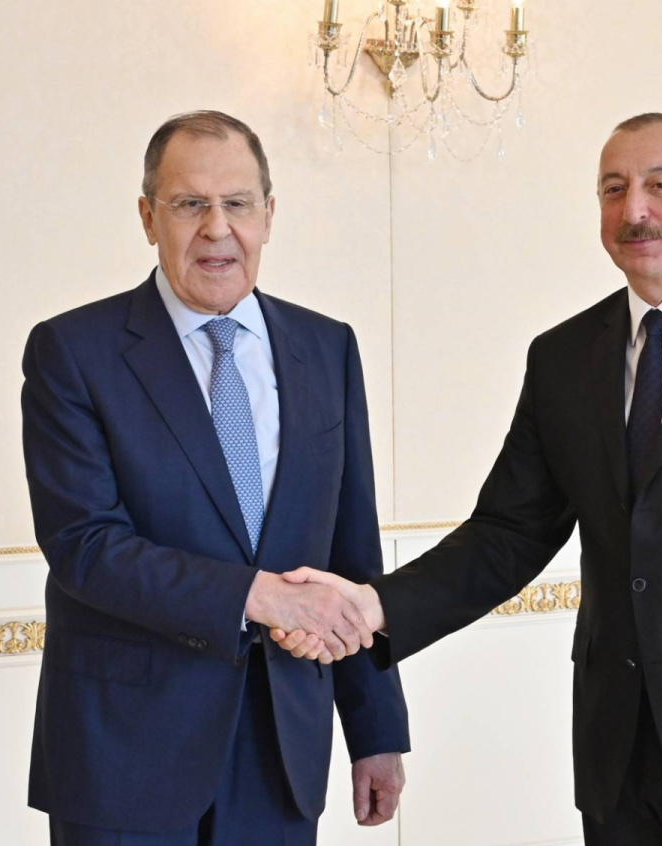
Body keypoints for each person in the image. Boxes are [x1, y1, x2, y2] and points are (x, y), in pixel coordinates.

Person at [273, 113, 662, 846]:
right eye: (614, 189)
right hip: (615, 762)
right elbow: (506, 535)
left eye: (660, 186)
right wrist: (373, 607)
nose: (635, 209)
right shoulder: (563, 357)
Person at [21, 110, 410, 846]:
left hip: (282, 749)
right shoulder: (73, 351)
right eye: (189, 204)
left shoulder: (327, 348)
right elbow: (84, 545)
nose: (216, 228)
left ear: (269, 214)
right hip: (125, 753)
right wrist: (258, 596)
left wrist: (375, 729)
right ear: (148, 217)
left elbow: (352, 553)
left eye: (237, 203)